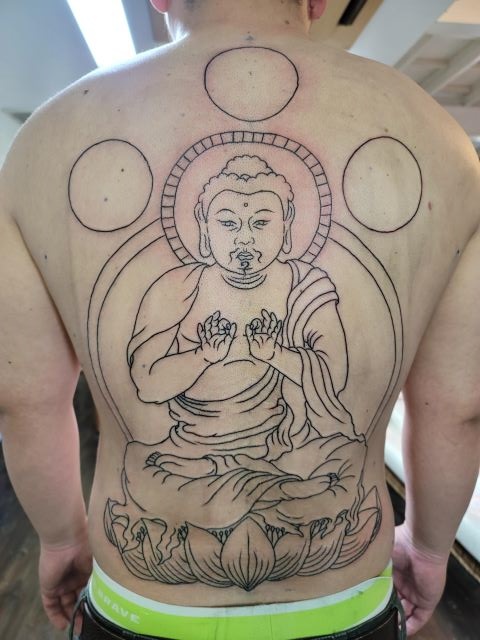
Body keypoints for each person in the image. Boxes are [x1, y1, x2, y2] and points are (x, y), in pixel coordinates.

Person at [0, 0, 478, 638]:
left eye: (261, 222)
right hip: (321, 577)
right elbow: (459, 407)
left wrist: (62, 539)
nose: (245, 239)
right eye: (229, 222)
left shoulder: (44, 141)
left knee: (321, 462)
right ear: (202, 227)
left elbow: (24, 402)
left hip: (152, 594)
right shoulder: (442, 142)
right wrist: (428, 546)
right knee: (160, 466)